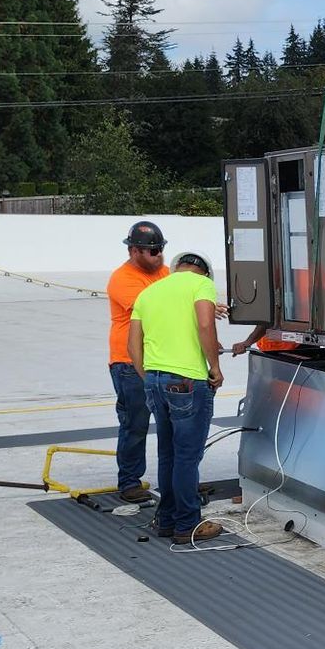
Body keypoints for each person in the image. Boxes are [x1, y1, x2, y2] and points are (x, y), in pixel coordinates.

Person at [127, 251, 226, 544]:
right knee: (187, 456)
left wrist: (150, 379)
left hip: (154, 378)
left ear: (175, 268)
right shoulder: (201, 285)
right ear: (205, 272)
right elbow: (206, 324)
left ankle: (167, 519)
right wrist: (215, 367)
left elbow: (133, 346)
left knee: (167, 453)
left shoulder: (149, 292)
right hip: (187, 381)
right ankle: (188, 525)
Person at [106, 221, 169, 505]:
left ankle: (175, 480)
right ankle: (129, 481)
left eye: (160, 249)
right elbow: (154, 310)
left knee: (171, 423)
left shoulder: (164, 273)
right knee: (135, 423)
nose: (159, 255)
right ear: (134, 251)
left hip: (160, 359)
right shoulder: (123, 279)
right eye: (152, 251)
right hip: (129, 362)